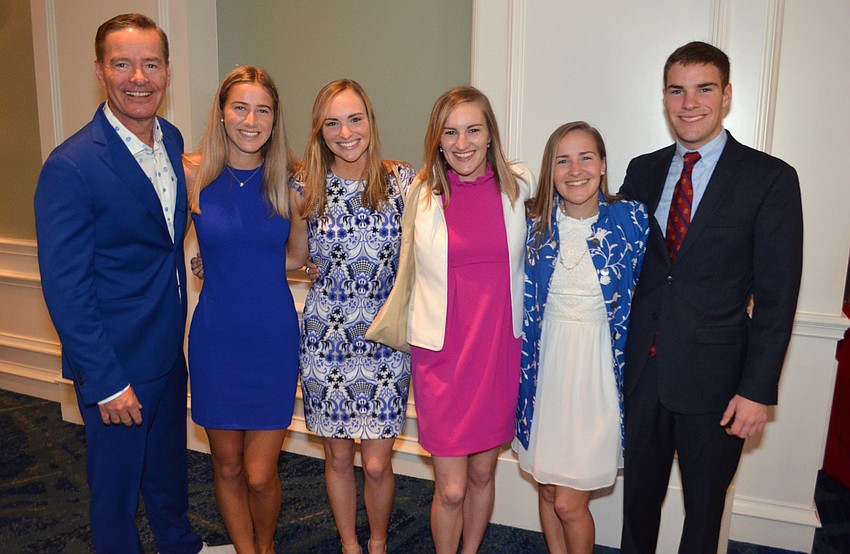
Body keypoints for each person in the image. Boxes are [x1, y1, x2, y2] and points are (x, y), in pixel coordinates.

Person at [618, 41, 803, 553]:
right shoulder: (642, 170)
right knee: (637, 507)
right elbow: (623, 265)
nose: (689, 103)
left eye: (703, 89)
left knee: (704, 514)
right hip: (643, 374)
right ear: (664, 97)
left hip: (717, 385)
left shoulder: (769, 179)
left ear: (726, 95)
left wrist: (757, 390)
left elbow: (778, 297)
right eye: (677, 90)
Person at [33, 13, 204, 553]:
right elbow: (66, 289)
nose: (138, 78)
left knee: (168, 475)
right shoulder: (71, 166)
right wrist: (106, 381)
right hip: (116, 363)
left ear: (167, 72)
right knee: (115, 496)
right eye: (123, 64)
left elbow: (160, 235)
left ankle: (179, 545)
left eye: (151, 64)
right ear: (100, 70)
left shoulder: (172, 140)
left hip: (167, 351)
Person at [407, 85, 536, 554]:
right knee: (451, 488)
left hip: (498, 350)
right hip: (442, 357)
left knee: (483, 473)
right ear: (437, 139)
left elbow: (576, 194)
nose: (462, 143)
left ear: (490, 135)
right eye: (450, 132)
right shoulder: (420, 194)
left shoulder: (519, 185)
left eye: (473, 130)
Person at [186, 66, 306, 554]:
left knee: (260, 473)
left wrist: (241, 259)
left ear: (275, 120)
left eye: (262, 110)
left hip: (271, 338)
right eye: (240, 108)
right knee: (228, 465)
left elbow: (296, 257)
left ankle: (266, 545)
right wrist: (208, 261)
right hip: (216, 339)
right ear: (221, 113)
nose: (251, 121)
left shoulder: (290, 182)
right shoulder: (193, 174)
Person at [515, 122, 649, 553]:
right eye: (563, 160)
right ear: (550, 170)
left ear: (604, 164)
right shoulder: (530, 221)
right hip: (545, 373)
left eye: (586, 157)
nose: (575, 170)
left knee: (569, 503)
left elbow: (668, 282)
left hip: (599, 377)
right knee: (548, 491)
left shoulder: (632, 219)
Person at [297, 79, 415, 554]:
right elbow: (291, 255)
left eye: (354, 119)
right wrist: (214, 258)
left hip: (385, 340)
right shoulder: (304, 186)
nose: (345, 133)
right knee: (339, 458)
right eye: (332, 123)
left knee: (379, 464)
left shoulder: (403, 180)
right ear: (319, 131)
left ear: (370, 121)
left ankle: (378, 543)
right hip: (327, 340)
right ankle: (349, 544)